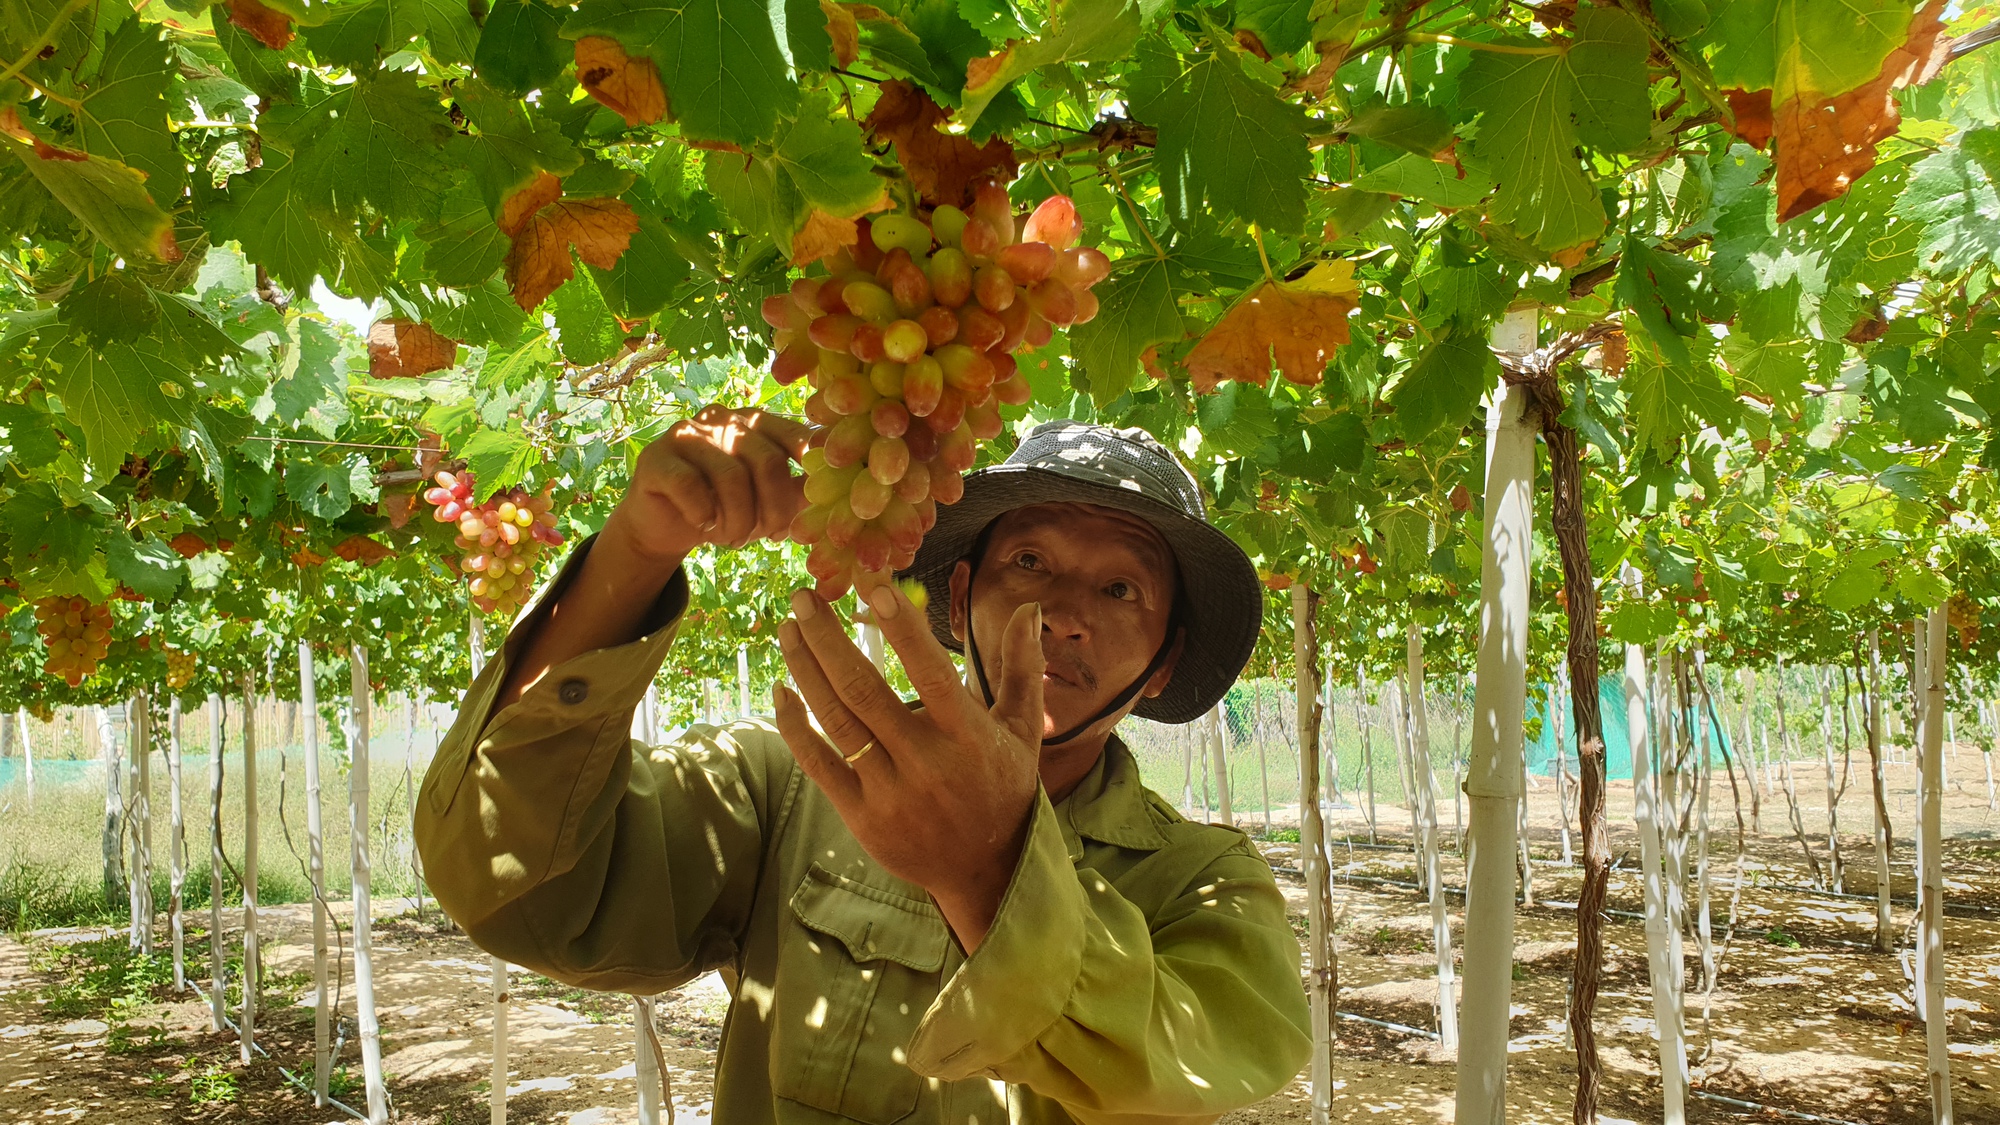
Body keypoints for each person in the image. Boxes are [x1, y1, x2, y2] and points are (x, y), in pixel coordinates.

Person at [416, 405, 1310, 1124]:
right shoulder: (791, 784)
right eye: (1029, 559)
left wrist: (992, 864)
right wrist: (636, 554)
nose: (1063, 612)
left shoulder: (1207, 884)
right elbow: (517, 884)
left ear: (1162, 660)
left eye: (1122, 588)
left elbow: (1187, 1069)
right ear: (960, 599)